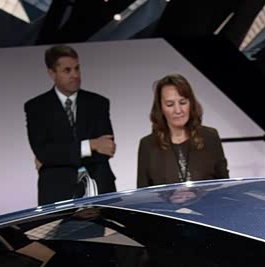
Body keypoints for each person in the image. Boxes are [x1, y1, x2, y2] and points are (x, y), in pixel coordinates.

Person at [25, 45, 117, 205]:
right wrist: (90, 145)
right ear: (52, 73)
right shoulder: (36, 107)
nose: (75, 75)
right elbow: (44, 153)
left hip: (99, 189)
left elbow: (106, 149)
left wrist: (58, 156)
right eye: (67, 70)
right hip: (56, 192)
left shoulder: (98, 103)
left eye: (77, 68)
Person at [136, 74, 229, 188]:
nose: (178, 110)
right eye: (170, 104)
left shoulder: (210, 137)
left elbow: (225, 187)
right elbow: (143, 194)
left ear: (191, 103)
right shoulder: (148, 145)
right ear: (160, 108)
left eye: (183, 102)